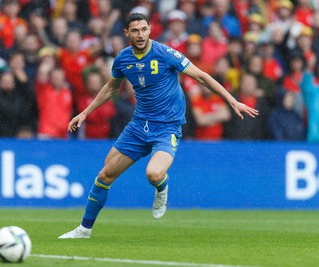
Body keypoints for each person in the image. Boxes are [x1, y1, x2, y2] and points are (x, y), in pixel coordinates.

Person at [58, 13, 258, 239]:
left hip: (167, 127)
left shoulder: (165, 53)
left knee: (153, 173)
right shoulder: (123, 59)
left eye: (144, 29)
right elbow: (112, 88)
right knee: (105, 174)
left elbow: (201, 76)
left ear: (150, 29)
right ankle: (84, 230)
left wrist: (232, 100)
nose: (140, 34)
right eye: (135, 30)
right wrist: (85, 112)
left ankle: (162, 188)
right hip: (138, 126)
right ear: (127, 33)